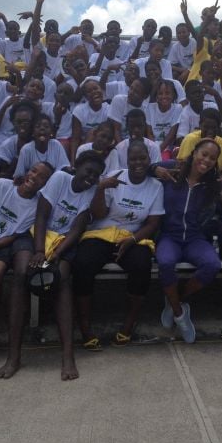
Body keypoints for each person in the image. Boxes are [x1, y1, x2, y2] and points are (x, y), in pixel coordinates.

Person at [73, 140, 164, 349]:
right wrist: (100, 188)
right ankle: (84, 326)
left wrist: (132, 240)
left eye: (142, 158)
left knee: (142, 265)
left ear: (149, 159)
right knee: (83, 264)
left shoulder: (156, 186)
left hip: (132, 236)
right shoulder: (114, 176)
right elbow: (99, 214)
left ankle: (128, 325)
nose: (138, 163)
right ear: (127, 160)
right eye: (133, 159)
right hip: (102, 233)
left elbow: (153, 223)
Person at [0, 162, 53, 374]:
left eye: (42, 177)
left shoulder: (37, 205)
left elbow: (16, 235)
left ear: (46, 184)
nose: (34, 177)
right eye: (33, 171)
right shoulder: (1, 186)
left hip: (5, 245)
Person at [32, 151, 105, 380]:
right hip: (41, 236)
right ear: (76, 167)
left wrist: (57, 253)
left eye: (95, 175)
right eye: (88, 171)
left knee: (61, 277)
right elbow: (41, 216)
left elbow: (77, 229)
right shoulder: (59, 179)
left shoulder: (91, 192)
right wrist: (40, 250)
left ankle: (67, 355)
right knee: (24, 272)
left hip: (65, 243)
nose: (91, 178)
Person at [155, 139, 222, 343]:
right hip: (170, 236)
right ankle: (179, 314)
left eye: (212, 158)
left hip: (194, 238)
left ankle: (176, 300)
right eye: (204, 154)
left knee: (212, 265)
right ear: (194, 153)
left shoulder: (211, 184)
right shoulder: (173, 169)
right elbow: (146, 167)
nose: (207, 160)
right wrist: (154, 169)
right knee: (166, 262)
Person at [14, 113, 70, 178]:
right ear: (33, 133)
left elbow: (64, 169)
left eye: (46, 126)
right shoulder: (26, 149)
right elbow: (19, 176)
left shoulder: (56, 145)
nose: (42, 128)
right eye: (38, 126)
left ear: (51, 132)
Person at [71, 81, 111, 156]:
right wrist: (73, 161)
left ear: (101, 90)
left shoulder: (109, 109)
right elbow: (75, 139)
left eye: (96, 88)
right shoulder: (79, 110)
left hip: (104, 144)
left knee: (97, 132)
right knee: (92, 133)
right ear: (86, 97)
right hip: (84, 144)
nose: (94, 92)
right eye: (89, 91)